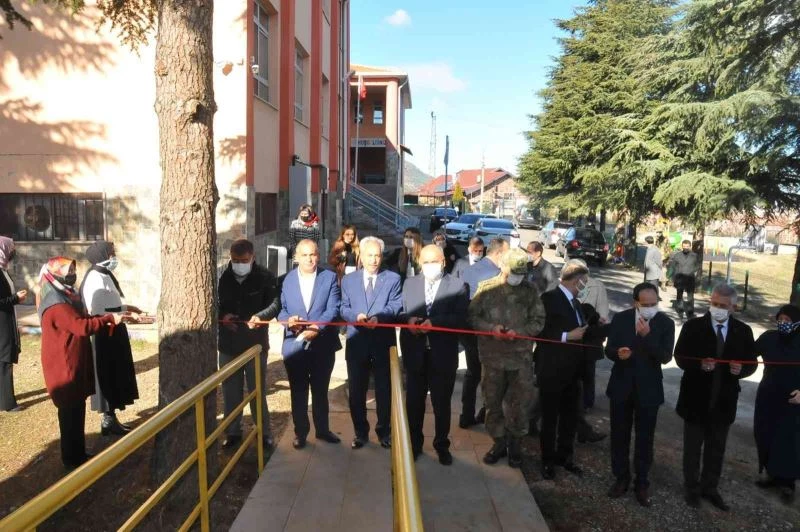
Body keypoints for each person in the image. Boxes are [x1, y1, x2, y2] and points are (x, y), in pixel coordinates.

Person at [675, 283, 756, 510]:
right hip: (695, 399)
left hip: (724, 401)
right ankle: (691, 489)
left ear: (733, 307)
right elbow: (679, 357)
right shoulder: (693, 327)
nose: (717, 308)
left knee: (716, 449)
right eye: (714, 304)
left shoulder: (743, 331)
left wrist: (742, 370)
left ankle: (710, 488)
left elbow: (751, 364)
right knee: (692, 449)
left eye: (723, 306)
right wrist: (698, 364)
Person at [39, 257, 125, 469]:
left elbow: (84, 317)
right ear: (55, 274)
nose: (72, 275)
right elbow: (81, 327)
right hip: (63, 366)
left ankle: (77, 453)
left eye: (73, 270)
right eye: (67, 271)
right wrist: (108, 320)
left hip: (73, 361)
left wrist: (109, 315)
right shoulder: (57, 304)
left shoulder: (66, 295)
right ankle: (71, 460)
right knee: (69, 414)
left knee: (76, 411)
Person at [469, 248, 545, 467]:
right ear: (503, 267)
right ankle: (499, 442)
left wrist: (520, 332)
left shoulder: (530, 292)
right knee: (492, 403)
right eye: (514, 272)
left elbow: (539, 320)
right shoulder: (486, 290)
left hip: (520, 360)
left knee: (519, 404)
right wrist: (490, 328)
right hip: (492, 359)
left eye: (522, 274)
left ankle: (515, 445)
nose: (518, 277)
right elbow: (472, 317)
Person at [605, 282, 675, 507]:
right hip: (621, 386)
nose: (650, 308)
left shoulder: (665, 323)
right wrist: (617, 353)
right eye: (646, 304)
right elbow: (609, 349)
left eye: (654, 303)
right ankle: (620, 478)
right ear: (636, 303)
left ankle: (642, 482)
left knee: (645, 439)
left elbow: (665, 357)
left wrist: (648, 336)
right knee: (619, 435)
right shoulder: (621, 319)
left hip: (649, 390)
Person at [400, 244, 469, 465]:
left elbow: (461, 318)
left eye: (434, 262)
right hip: (415, 353)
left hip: (443, 354)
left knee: (441, 404)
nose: (430, 266)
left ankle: (441, 445)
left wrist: (435, 323)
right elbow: (401, 311)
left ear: (443, 262)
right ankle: (415, 444)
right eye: (426, 262)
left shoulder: (458, 286)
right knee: (414, 403)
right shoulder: (410, 283)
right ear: (420, 263)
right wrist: (408, 321)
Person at [339, 236, 402, 450]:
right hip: (357, 343)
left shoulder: (392, 279)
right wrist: (355, 316)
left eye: (377, 255)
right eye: (369, 255)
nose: (374, 260)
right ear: (361, 256)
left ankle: (384, 432)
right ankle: (360, 433)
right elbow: (343, 308)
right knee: (357, 392)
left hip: (383, 343)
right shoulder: (348, 280)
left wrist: (380, 318)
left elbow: (395, 306)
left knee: (384, 392)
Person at [278, 239, 342, 449]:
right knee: (298, 391)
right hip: (294, 345)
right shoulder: (286, 280)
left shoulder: (330, 278)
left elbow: (333, 309)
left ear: (318, 255)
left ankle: (322, 430)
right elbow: (281, 310)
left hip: (322, 344)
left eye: (313, 254)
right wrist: (289, 320)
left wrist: (317, 328)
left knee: (320, 390)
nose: (309, 259)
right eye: (304, 255)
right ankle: (300, 433)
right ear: (296, 257)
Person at [217, 239, 278, 449]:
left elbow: (275, 304)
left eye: (243, 260)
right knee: (230, 393)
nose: (239, 264)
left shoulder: (266, 277)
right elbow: (213, 303)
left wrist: (261, 317)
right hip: (228, 345)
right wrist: (223, 316)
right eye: (235, 260)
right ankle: (232, 432)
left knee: (257, 391)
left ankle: (264, 433)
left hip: (255, 345)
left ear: (252, 257)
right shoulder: (222, 277)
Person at [535, 259, 591, 480]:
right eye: (584, 282)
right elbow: (539, 332)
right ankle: (547, 461)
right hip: (552, 369)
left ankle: (564, 456)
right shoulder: (549, 299)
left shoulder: (576, 303)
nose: (585, 286)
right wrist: (567, 336)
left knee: (570, 417)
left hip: (573, 371)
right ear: (576, 281)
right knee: (550, 419)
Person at [79, 240, 141, 436]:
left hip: (114, 331)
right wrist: (122, 314)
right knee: (106, 374)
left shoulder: (105, 275)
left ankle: (112, 418)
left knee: (116, 373)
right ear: (102, 255)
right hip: (104, 334)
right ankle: (107, 419)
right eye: (111, 253)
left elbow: (111, 304)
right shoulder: (94, 278)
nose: (114, 257)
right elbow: (96, 310)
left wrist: (127, 309)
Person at [458, 237, 509, 428]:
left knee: (472, 374)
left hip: (468, 330)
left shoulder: (469, 270)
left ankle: (467, 415)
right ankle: (486, 413)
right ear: (499, 254)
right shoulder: (497, 275)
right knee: (492, 376)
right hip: (488, 333)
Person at [753, 304, 800, 503]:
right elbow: (747, 353)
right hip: (768, 396)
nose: (783, 324)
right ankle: (771, 473)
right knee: (765, 434)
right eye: (780, 319)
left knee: (788, 441)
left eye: (788, 321)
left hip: (793, 400)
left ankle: (788, 483)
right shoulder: (769, 338)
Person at [1, 237, 27, 412]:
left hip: (6, 319)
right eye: (10, 249)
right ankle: (7, 403)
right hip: (1, 323)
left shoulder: (2, 270)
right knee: (4, 360)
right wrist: (16, 298)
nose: (12, 253)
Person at [669, 240, 698, 318]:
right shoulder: (677, 255)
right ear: (682, 246)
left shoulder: (694, 256)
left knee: (690, 297)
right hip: (680, 279)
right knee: (679, 295)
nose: (685, 248)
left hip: (690, 279)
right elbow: (673, 267)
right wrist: (673, 278)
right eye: (684, 246)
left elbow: (697, 266)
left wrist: (693, 272)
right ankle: (680, 311)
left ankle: (690, 312)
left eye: (687, 246)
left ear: (690, 246)